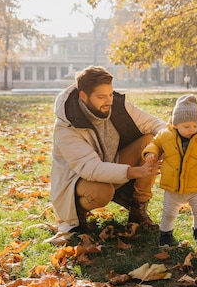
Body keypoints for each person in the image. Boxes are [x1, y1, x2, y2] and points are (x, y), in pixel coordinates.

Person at [50, 65, 166, 239]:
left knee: (151, 141)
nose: (109, 101)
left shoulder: (117, 106)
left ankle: (138, 208)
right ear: (83, 96)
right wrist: (134, 171)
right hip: (77, 181)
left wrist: (176, 141)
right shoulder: (66, 126)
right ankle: (77, 213)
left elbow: (155, 124)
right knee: (102, 192)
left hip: (112, 165)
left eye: (110, 94)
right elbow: (90, 168)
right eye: (101, 96)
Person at [142, 94, 197, 248]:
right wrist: (151, 153)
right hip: (172, 186)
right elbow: (155, 144)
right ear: (176, 124)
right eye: (186, 126)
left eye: (195, 126)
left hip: (195, 184)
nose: (192, 129)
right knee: (169, 213)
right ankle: (166, 234)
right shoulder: (165, 135)